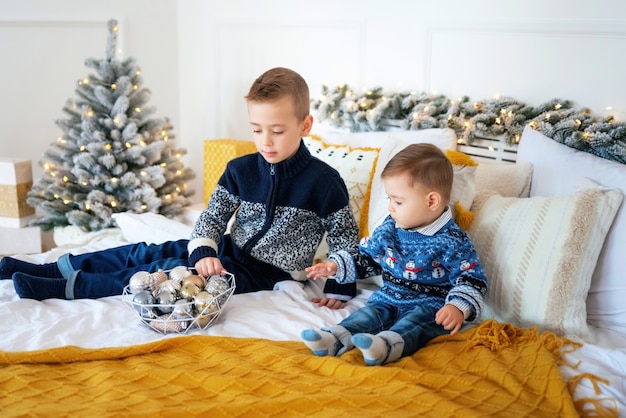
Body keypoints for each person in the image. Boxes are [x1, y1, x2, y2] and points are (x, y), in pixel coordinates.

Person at [2, 67, 358, 308]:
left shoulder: (324, 182)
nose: (265, 141)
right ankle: (50, 268)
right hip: (228, 250)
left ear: (305, 124)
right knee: (143, 251)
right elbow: (213, 218)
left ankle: (67, 288)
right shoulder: (241, 169)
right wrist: (205, 250)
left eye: (277, 130)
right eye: (256, 129)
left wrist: (341, 286)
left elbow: (345, 240)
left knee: (168, 272)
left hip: (267, 272)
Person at [301, 143, 488, 366]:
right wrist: (337, 266)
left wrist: (458, 307)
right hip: (389, 299)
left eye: (398, 201)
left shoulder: (452, 241)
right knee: (368, 316)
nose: (391, 207)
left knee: (417, 323)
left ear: (431, 201)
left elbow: (471, 278)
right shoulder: (391, 227)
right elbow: (368, 256)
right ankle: (335, 337)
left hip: (430, 306)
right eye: (389, 199)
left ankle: (387, 345)